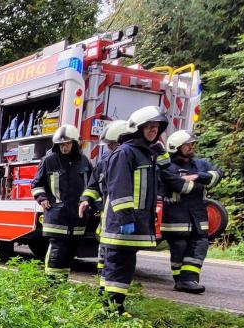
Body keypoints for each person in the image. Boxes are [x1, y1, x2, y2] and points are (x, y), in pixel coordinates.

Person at [99, 106, 174, 312]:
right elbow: (119, 188)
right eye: (149, 127)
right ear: (137, 128)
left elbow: (168, 175)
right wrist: (125, 219)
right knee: (119, 265)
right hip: (122, 222)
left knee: (121, 264)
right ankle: (112, 309)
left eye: (156, 128)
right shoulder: (125, 153)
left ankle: (108, 304)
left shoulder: (146, 154)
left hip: (135, 220)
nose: (153, 131)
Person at [160, 130, 222, 293]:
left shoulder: (200, 164)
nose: (191, 147)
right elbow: (176, 185)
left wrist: (196, 176)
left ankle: (190, 280)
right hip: (176, 218)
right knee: (179, 247)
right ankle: (180, 280)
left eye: (192, 144)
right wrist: (200, 180)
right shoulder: (168, 167)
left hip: (197, 216)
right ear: (176, 147)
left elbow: (216, 175)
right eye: (187, 145)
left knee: (200, 245)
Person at [32, 124, 92, 278]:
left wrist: (93, 204)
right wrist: (42, 198)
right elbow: (36, 184)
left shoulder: (84, 161)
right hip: (56, 216)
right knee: (57, 251)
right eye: (61, 144)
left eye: (67, 144)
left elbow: (93, 185)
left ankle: (61, 284)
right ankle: (51, 284)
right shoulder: (49, 160)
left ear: (74, 143)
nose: (64, 147)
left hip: (77, 219)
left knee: (70, 252)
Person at [81, 120, 130, 292]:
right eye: (108, 145)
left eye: (112, 145)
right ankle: (104, 290)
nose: (109, 148)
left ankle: (110, 297)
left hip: (123, 217)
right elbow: (93, 186)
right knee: (106, 256)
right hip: (107, 217)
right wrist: (87, 199)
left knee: (118, 258)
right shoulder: (105, 161)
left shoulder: (131, 159)